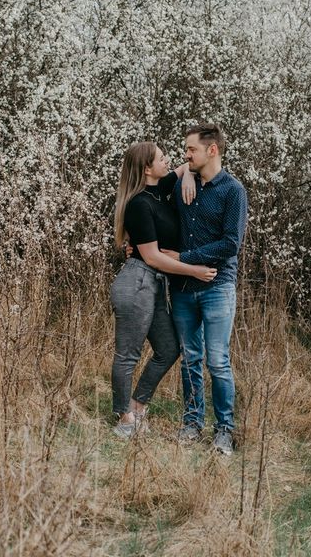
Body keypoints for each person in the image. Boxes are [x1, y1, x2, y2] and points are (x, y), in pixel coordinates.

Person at [110, 142, 217, 438]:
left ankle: (137, 405)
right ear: (147, 168)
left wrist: (184, 177)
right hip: (137, 282)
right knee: (128, 354)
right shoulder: (139, 204)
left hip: (155, 285)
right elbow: (153, 256)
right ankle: (125, 419)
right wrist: (194, 270)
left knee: (170, 348)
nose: (168, 159)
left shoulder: (160, 190)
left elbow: (187, 167)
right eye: (161, 157)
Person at [162, 123, 248, 455]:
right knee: (190, 359)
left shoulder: (233, 191)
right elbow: (152, 188)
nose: (186, 154)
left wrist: (186, 257)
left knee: (218, 360)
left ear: (212, 150)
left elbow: (231, 243)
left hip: (217, 286)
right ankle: (192, 423)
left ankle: (224, 430)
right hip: (183, 288)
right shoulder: (186, 184)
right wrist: (185, 172)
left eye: (191, 150)